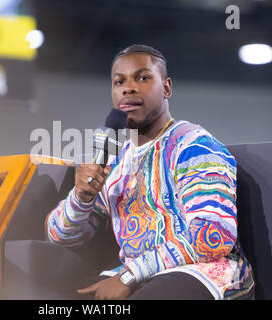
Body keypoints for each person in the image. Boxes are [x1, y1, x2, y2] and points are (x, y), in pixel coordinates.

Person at [45, 44, 255, 300]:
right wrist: (81, 198)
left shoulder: (194, 146)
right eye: (119, 81)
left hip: (205, 273)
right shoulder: (114, 161)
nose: (128, 87)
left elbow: (213, 238)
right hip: (137, 276)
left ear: (166, 87)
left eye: (143, 78)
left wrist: (130, 275)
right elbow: (60, 238)